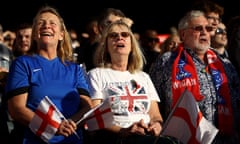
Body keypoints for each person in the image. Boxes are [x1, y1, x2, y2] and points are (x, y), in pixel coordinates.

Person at [149, 10, 240, 143]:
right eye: (198, 28)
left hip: (226, 139)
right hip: (183, 139)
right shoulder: (166, 62)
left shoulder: (224, 63)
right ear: (183, 34)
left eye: (208, 28)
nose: (204, 32)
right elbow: (153, 101)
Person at [5, 6, 93, 144]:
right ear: (35, 34)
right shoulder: (22, 64)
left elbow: (88, 107)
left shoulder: (75, 69)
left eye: (52, 23)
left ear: (61, 35)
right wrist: (54, 127)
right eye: (41, 23)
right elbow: (16, 109)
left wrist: (69, 124)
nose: (47, 26)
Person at [87, 20, 180, 144]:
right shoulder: (96, 74)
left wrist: (156, 125)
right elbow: (94, 118)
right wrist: (124, 130)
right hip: (116, 136)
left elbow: (155, 115)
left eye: (125, 35)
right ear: (106, 46)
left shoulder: (143, 77)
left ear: (132, 45)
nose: (120, 37)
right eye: (113, 35)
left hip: (146, 134)